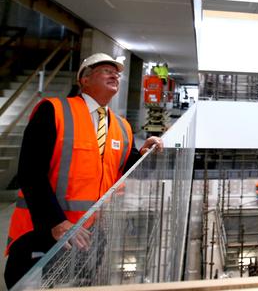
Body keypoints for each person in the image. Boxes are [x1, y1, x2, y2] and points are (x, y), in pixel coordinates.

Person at [4, 53, 164, 288]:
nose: (115, 75)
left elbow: (128, 170)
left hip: (90, 234)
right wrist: (56, 222)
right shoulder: (53, 111)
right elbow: (30, 173)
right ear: (84, 80)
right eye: (106, 70)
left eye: (117, 73)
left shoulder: (121, 126)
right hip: (42, 231)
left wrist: (146, 155)